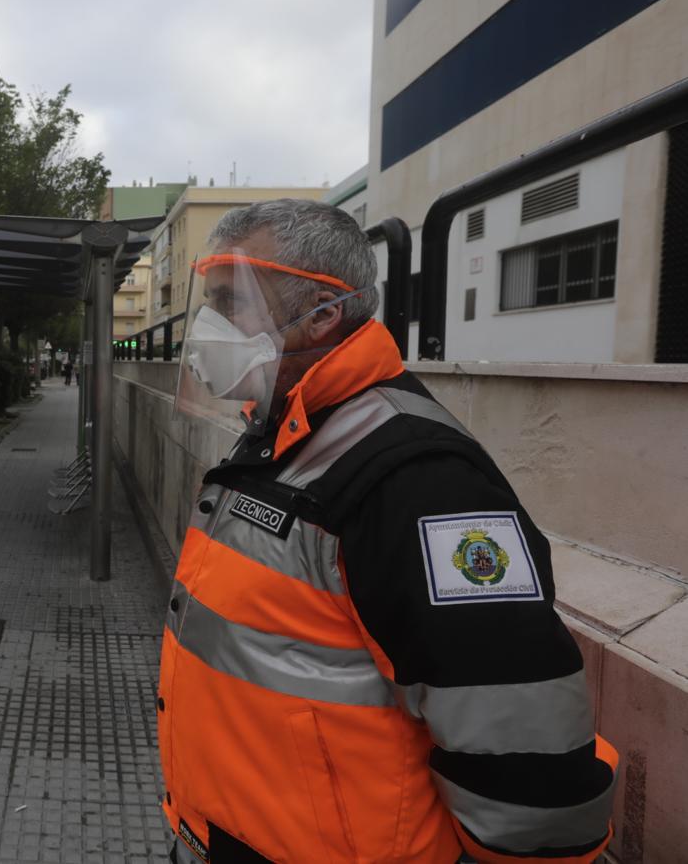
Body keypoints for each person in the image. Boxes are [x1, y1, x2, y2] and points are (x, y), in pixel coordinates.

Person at [159, 199, 617, 864]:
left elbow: (527, 755)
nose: (208, 326)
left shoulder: (419, 479)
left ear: (322, 314)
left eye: (233, 302)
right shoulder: (285, 434)